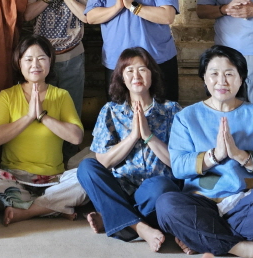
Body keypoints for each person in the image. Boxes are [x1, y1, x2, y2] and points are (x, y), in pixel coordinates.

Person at [156, 45, 253, 258]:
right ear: (204, 78)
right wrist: (215, 156)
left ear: (241, 78)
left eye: (229, 74)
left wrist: (240, 155)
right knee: (166, 204)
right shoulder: (186, 117)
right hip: (202, 203)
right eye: (214, 74)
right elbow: (179, 167)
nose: (222, 81)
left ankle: (205, 240)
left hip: (247, 202)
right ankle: (244, 249)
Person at [76, 47, 181, 251]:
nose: (136, 76)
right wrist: (133, 136)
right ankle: (140, 227)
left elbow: (178, 164)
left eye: (142, 69)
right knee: (86, 167)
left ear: (152, 74)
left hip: (154, 192)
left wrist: (148, 135)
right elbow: (104, 161)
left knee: (162, 187)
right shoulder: (110, 111)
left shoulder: (172, 110)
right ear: (121, 77)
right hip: (119, 190)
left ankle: (114, 217)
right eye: (129, 70)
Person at [0, 36, 86, 226]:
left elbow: (76, 137)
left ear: (50, 61)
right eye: (29, 59)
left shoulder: (61, 95)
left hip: (54, 180)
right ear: (19, 63)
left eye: (41, 58)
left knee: (85, 180)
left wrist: (42, 117)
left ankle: (27, 211)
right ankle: (53, 207)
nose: (35, 65)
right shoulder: (7, 96)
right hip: (15, 179)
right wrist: (29, 117)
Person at [23, 0, 90, 119]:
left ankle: (71, 140)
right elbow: (28, 15)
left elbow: (86, 17)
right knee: (45, 110)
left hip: (73, 56)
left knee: (71, 111)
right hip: (43, 58)